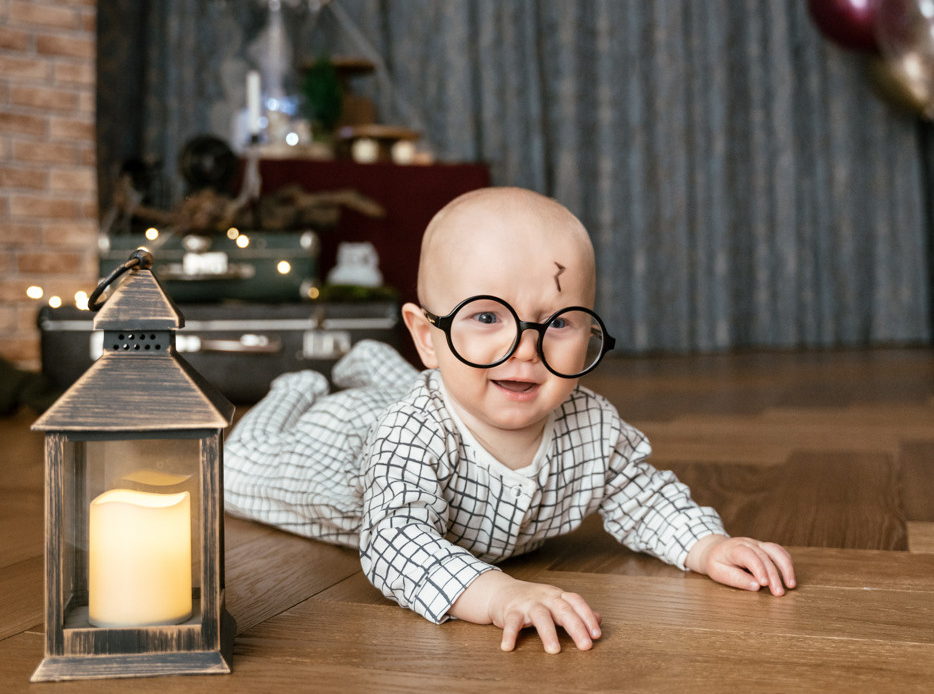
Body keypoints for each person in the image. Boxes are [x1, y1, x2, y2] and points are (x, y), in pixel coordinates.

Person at [224, 187, 795, 653]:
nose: (524, 348)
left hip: (439, 393)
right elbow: (395, 538)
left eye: (557, 323)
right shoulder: (412, 433)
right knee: (238, 468)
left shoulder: (590, 425)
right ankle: (296, 387)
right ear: (427, 335)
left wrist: (706, 545)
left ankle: (375, 367)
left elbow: (641, 494)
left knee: (447, 385)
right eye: (488, 316)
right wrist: (496, 595)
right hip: (335, 454)